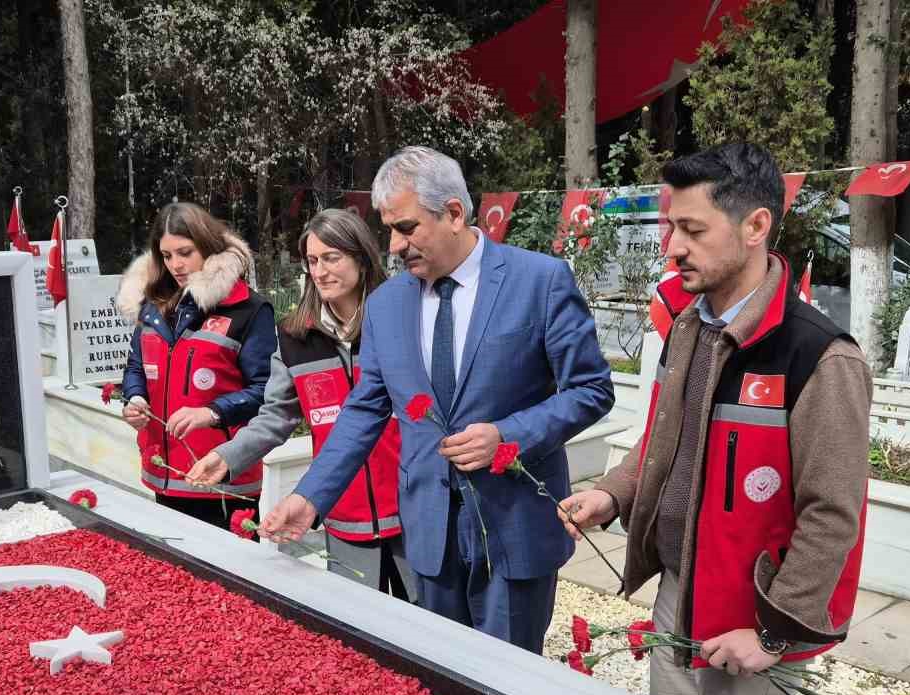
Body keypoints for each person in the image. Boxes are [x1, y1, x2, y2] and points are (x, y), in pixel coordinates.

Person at [558, 142, 872, 695]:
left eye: (692, 229)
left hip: (749, 613)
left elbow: (834, 514)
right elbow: (663, 440)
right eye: (672, 226)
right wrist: (613, 492)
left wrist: (774, 632)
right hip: (680, 591)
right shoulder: (689, 327)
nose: (672, 247)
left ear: (755, 227)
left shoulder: (818, 357)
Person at [262, 146, 614, 652]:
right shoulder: (387, 304)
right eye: (389, 229)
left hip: (513, 528)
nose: (395, 245)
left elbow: (591, 389)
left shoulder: (538, 281)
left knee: (510, 689)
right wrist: (310, 496)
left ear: (454, 213)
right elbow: (365, 408)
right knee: (443, 675)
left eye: (406, 228)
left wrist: (508, 436)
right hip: (428, 531)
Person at [185, 209, 416, 601]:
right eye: (312, 261)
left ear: (361, 257)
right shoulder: (294, 337)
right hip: (343, 516)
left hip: (414, 516)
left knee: (431, 635)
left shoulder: (403, 321)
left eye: (332, 257)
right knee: (359, 635)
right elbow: (276, 415)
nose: (321, 271)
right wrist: (227, 456)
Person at [117, 202, 275, 530]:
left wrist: (212, 412)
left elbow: (268, 391)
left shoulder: (248, 309)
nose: (176, 264)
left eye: (185, 252)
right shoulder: (152, 307)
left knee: (232, 579)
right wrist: (134, 399)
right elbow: (135, 366)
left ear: (207, 246)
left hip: (223, 476)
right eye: (167, 255)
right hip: (164, 471)